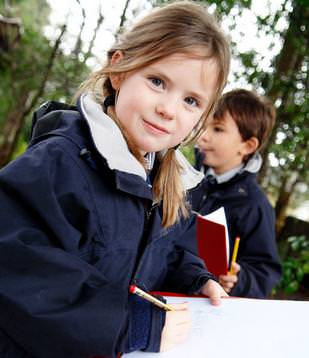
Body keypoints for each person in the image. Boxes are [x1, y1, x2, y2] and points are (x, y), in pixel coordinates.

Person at [0, 2, 231, 357]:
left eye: (190, 100)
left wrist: (196, 278)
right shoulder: (61, 161)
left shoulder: (163, 182)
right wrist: (134, 324)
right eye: (157, 81)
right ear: (119, 71)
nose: (168, 109)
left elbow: (158, 253)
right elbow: (16, 268)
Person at [191, 89, 282, 298]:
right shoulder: (190, 181)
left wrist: (240, 279)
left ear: (247, 145)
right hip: (171, 294)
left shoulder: (255, 205)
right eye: (204, 127)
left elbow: (265, 271)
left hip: (211, 307)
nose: (204, 136)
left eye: (218, 129)